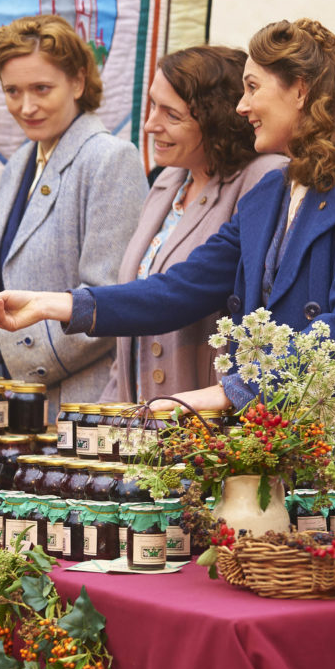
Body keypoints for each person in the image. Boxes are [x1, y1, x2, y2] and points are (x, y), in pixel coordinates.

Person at [0, 18, 335, 503]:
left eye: (253, 88)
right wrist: (57, 304)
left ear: (300, 90)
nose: (241, 105)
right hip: (271, 456)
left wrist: (227, 392)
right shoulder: (269, 193)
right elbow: (179, 289)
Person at [0, 14, 147, 418]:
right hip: (19, 406)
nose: (26, 107)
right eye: (12, 91)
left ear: (78, 82)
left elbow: (111, 302)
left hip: (83, 409)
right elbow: (10, 288)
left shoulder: (112, 159)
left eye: (41, 89)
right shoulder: (19, 164)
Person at [99, 46, 285, 404]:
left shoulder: (263, 178)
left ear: (217, 120)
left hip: (208, 431)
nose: (151, 124)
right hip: (142, 427)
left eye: (171, 114)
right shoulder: (168, 181)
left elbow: (179, 293)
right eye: (153, 106)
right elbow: (129, 343)